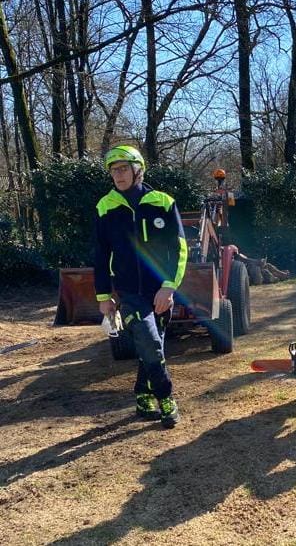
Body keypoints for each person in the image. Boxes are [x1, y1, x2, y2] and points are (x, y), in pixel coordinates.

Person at [94, 145, 187, 429]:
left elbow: (180, 249)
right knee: (148, 340)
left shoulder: (163, 202)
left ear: (138, 170)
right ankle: (166, 397)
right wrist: (103, 296)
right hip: (129, 293)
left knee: (152, 343)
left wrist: (168, 288)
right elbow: (99, 254)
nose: (117, 175)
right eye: (113, 170)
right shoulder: (105, 206)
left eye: (122, 169)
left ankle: (142, 394)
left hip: (160, 290)